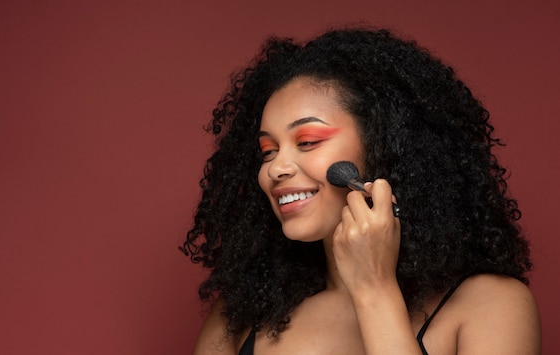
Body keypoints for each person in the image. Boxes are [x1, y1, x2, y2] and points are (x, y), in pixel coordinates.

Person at [180, 27, 541, 354]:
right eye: (268, 151)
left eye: (306, 141)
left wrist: (375, 289)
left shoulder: (493, 305)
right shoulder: (243, 309)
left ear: (383, 148)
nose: (276, 168)